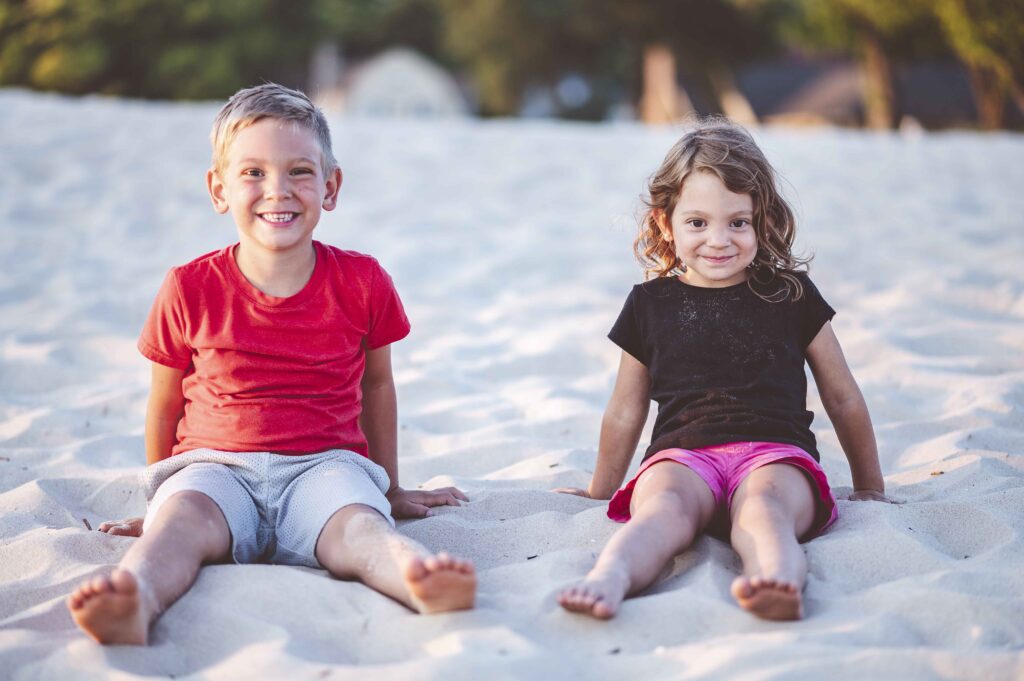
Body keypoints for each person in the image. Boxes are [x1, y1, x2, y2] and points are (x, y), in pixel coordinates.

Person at [67, 83, 476, 645]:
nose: (277, 190)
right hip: (214, 470)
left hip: (325, 467)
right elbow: (164, 403)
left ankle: (414, 580)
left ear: (331, 187)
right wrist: (161, 502)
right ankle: (134, 598)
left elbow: (378, 387)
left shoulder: (363, 281)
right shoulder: (188, 286)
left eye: (300, 172)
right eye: (253, 172)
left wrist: (391, 489)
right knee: (181, 524)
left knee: (360, 527)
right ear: (218, 189)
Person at [555, 119, 889, 622]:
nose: (719, 240)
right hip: (682, 457)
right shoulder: (650, 304)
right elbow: (625, 410)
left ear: (764, 221)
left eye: (738, 222)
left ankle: (775, 580)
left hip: (775, 457)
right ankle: (610, 578)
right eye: (697, 223)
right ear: (665, 223)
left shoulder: (791, 295)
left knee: (763, 511)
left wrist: (871, 486)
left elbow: (842, 396)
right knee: (661, 510)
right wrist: (601, 489)